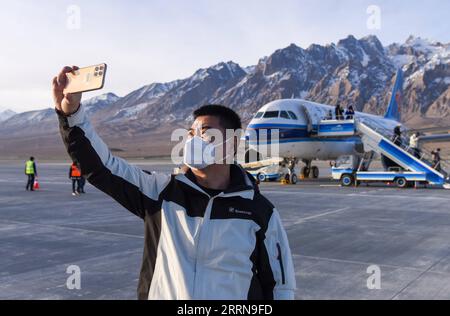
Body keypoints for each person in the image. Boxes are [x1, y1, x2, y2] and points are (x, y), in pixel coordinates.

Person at [52, 66, 296, 300]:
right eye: (191, 134)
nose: (194, 141)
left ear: (232, 143)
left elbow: (280, 286)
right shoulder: (160, 192)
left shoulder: (260, 212)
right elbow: (101, 166)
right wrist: (71, 114)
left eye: (206, 132)